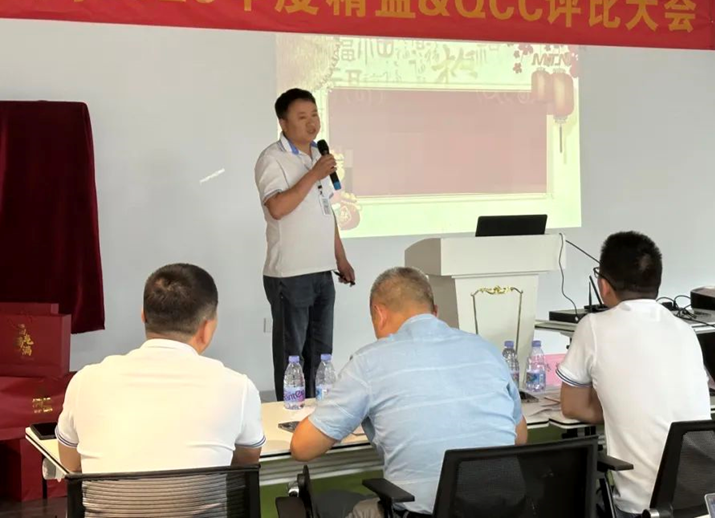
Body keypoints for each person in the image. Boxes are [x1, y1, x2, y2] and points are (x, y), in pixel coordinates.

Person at [290, 267, 528, 518]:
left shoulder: (369, 362)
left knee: (326, 502)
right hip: (504, 511)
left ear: (379, 313)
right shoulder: (486, 350)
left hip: (420, 515)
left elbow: (303, 448)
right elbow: (519, 436)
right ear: (435, 312)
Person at [557, 232, 712, 518]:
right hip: (708, 500)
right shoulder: (684, 330)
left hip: (645, 507)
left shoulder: (593, 327)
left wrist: (622, 408)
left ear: (603, 285)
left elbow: (572, 406)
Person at [55, 263, 265, 474]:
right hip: (205, 498)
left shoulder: (85, 381)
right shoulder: (239, 388)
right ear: (206, 328)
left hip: (105, 498)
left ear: (143, 316)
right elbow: (246, 464)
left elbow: (70, 465)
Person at [255, 88, 356, 401]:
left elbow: (326, 212)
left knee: (321, 354)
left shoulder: (317, 156)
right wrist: (313, 174)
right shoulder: (272, 159)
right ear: (283, 123)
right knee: (292, 357)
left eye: (314, 115)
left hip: (322, 270)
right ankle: (291, 417)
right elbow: (277, 208)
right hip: (290, 273)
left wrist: (341, 258)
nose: (312, 123)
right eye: (302, 117)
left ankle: (319, 416)